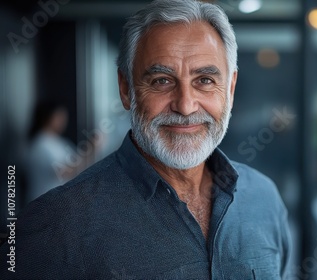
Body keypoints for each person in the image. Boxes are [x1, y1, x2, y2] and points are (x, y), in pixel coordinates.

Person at [0, 0, 292, 279]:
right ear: (126, 89)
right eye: (162, 81)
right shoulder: (57, 222)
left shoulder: (264, 199)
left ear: (229, 89)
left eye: (205, 80)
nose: (186, 105)